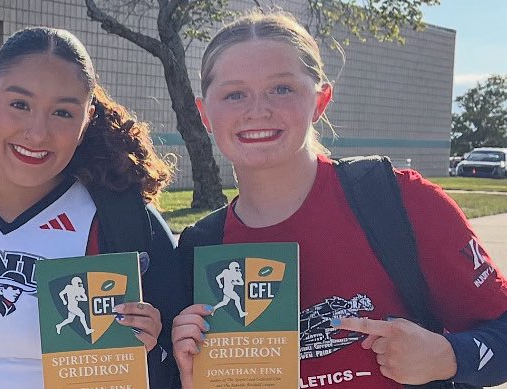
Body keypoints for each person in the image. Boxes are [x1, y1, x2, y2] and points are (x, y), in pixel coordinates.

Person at [170, 11, 507, 389]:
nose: (258, 110)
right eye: (234, 94)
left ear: (320, 101)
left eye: (281, 89)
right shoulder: (200, 248)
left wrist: (448, 357)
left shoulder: (399, 200)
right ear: (205, 115)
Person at [0, 27, 183, 388]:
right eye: (20, 105)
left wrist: (152, 350)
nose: (37, 133)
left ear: (86, 119)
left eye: (62, 113)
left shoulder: (123, 222)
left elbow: (177, 365)